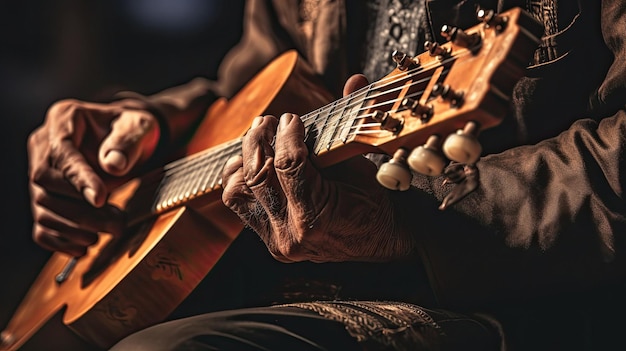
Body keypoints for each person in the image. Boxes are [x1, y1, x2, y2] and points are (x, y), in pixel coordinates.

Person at [25, 0, 626, 350]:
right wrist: (148, 122)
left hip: (534, 295)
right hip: (303, 270)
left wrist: (410, 225)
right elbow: (253, 93)